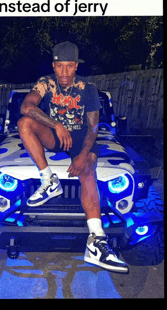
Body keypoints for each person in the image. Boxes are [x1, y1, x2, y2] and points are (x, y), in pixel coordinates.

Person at [18, 41, 128, 273]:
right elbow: (26, 106)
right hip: (56, 134)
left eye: (70, 66)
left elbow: (94, 128)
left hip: (80, 138)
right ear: (54, 66)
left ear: (76, 66)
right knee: (24, 123)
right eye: (60, 66)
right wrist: (56, 124)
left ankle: (97, 241)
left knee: (88, 166)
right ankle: (49, 181)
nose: (65, 72)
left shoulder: (88, 88)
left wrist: (82, 155)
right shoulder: (45, 83)